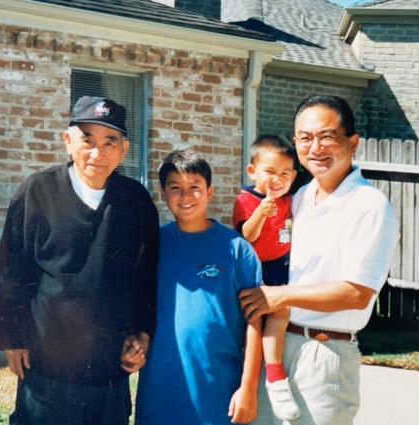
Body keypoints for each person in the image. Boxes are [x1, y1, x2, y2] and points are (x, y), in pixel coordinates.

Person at [0, 96, 159, 425]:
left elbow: (145, 278)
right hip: (47, 367)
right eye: (87, 139)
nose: (97, 153)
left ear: (124, 149)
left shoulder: (135, 201)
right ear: (68, 140)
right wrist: (13, 337)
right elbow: (12, 271)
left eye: (109, 142)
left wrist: (142, 334)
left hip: (109, 369)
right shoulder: (37, 192)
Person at [240, 95, 398, 425]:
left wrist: (279, 295)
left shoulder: (368, 205)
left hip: (325, 353)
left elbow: (357, 294)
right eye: (305, 138)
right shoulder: (298, 197)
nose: (316, 147)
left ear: (352, 143)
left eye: (327, 136)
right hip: (278, 344)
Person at [135, 149, 264, 425]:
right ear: (163, 193)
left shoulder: (237, 250)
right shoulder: (152, 245)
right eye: (175, 188)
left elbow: (255, 323)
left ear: (209, 191)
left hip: (219, 390)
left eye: (194, 187)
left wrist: (249, 388)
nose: (185, 196)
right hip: (161, 389)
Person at [232, 135, 300, 421]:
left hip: (281, 267)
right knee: (253, 325)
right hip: (254, 269)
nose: (277, 179)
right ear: (252, 172)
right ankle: (251, 381)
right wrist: (260, 213)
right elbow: (246, 236)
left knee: (280, 313)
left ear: (294, 177)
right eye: (270, 172)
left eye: (285, 173)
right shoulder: (246, 200)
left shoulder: (290, 200)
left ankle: (275, 376)